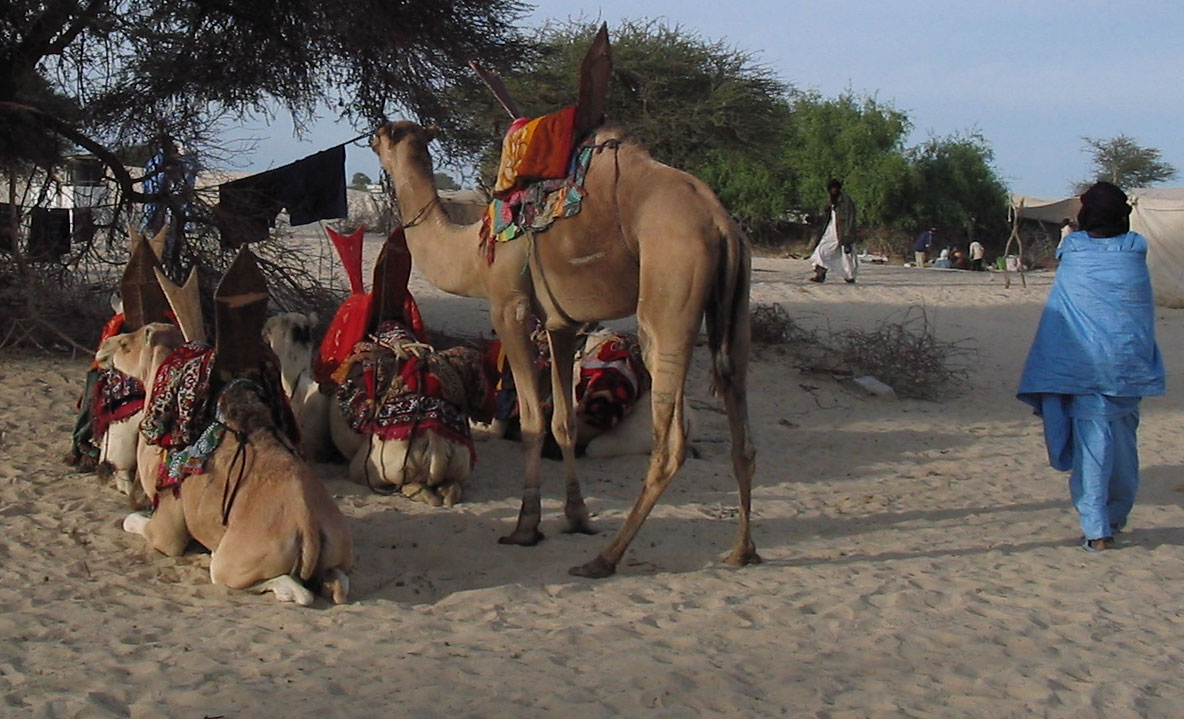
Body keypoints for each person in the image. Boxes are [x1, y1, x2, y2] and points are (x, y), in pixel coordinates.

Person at [1017, 182, 1165, 552]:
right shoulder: (1135, 247)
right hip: (1128, 365)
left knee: (1095, 451)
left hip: (1082, 366)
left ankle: (1098, 529)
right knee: (1124, 449)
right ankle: (1114, 517)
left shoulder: (1074, 247)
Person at [808, 179, 858, 284]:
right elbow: (825, 214)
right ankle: (820, 275)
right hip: (832, 231)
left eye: (835, 188)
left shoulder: (846, 201)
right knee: (821, 251)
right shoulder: (832, 199)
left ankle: (850, 277)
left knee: (847, 256)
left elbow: (851, 218)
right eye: (831, 188)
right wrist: (814, 219)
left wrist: (848, 234)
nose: (833, 190)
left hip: (844, 232)